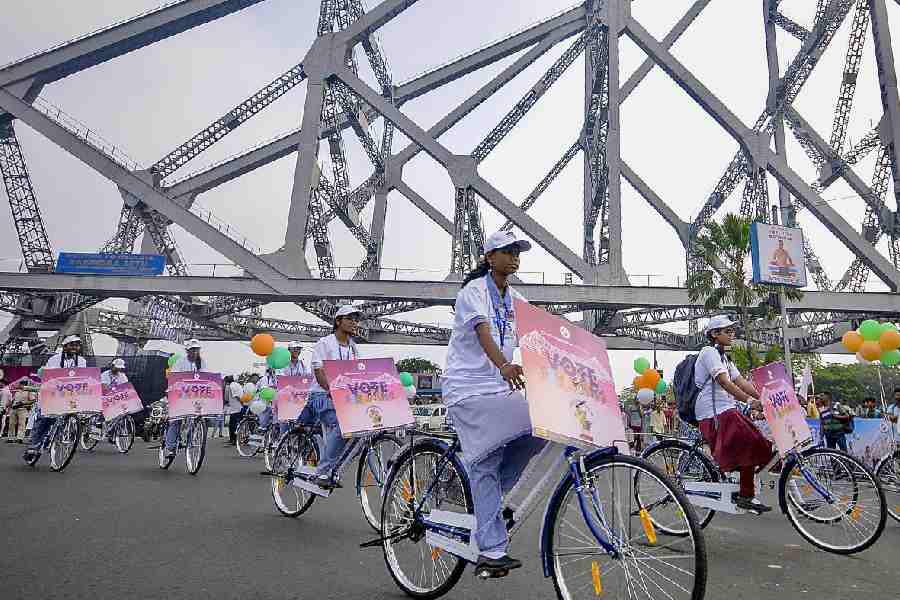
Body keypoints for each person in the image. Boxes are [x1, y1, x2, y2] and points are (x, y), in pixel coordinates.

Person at [442, 230, 547, 577]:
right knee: (486, 463)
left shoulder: (516, 297)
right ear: (489, 257)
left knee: (542, 427)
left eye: (518, 251)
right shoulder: (473, 291)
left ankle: (483, 502)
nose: (515, 256)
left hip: (499, 389)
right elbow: (483, 331)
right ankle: (491, 549)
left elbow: (536, 335)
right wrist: (504, 364)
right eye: (507, 251)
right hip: (468, 390)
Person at [693, 315, 773, 513]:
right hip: (714, 412)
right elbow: (724, 382)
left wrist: (766, 396)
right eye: (727, 331)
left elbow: (741, 382)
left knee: (755, 444)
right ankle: (745, 493)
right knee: (752, 441)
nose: (732, 334)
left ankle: (746, 493)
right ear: (714, 334)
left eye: (732, 331)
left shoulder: (724, 358)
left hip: (726, 409)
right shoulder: (708, 352)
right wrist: (749, 401)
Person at [298, 305, 363, 489]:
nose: (353, 322)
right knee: (341, 424)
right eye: (349, 318)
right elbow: (319, 372)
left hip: (343, 396)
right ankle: (323, 471)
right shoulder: (325, 343)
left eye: (355, 319)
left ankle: (334, 463)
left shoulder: (353, 348)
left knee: (362, 425)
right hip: (320, 394)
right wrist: (332, 390)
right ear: (338, 321)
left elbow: (358, 375)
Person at [23, 336, 87, 462]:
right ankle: (33, 446)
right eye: (71, 344)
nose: (75, 347)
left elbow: (83, 378)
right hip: (52, 394)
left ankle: (60, 437)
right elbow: (47, 375)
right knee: (44, 420)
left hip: (70, 395)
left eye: (77, 345)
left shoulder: (82, 361)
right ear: (65, 346)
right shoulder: (55, 359)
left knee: (70, 416)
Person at [163, 339, 208, 460]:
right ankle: (170, 447)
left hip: (194, 394)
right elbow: (174, 376)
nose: (195, 352)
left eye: (197, 349)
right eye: (192, 349)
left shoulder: (201, 362)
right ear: (187, 351)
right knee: (176, 420)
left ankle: (190, 440)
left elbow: (204, 376)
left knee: (197, 416)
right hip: (180, 393)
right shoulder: (180, 362)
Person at [6, 379, 36, 444]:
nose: (20, 385)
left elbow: (33, 400)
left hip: (23, 409)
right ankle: (10, 438)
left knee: (21, 424)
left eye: (21, 384)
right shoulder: (17, 391)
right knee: (11, 423)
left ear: (24, 385)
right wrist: (10, 405)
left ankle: (20, 438)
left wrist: (23, 403)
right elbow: (13, 399)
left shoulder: (28, 391)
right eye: (20, 384)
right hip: (14, 409)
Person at [222, 376, 242, 446]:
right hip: (238, 407)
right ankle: (234, 439)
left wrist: (241, 401)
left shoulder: (230, 386)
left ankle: (233, 440)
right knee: (235, 424)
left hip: (234, 408)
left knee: (232, 425)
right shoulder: (238, 384)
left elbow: (232, 397)